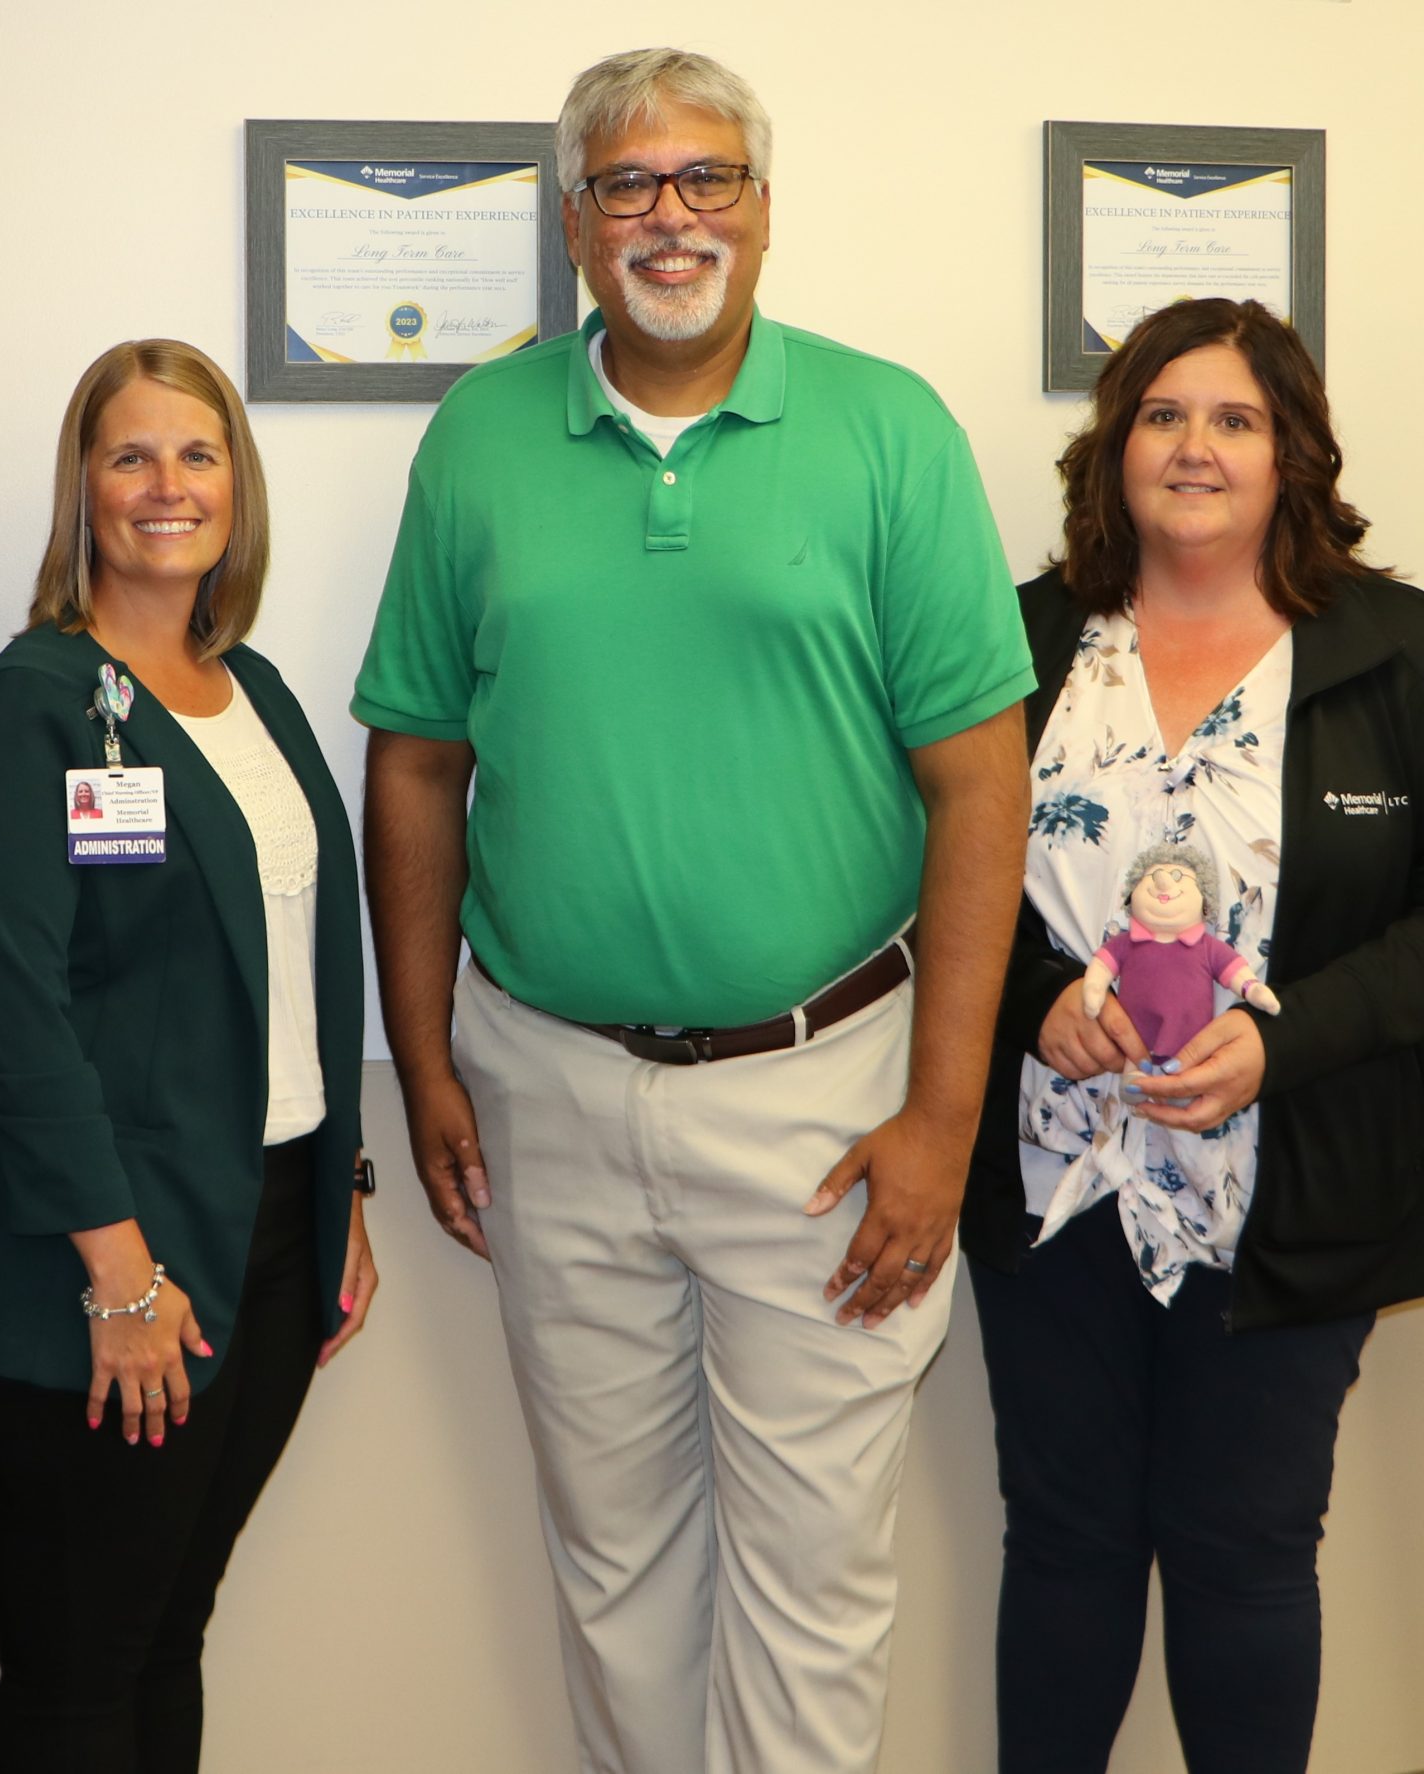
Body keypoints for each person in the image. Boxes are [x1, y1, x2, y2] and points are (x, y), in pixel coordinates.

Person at [352, 47, 1035, 1774]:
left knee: (814, 1585)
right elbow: (418, 766)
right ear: (574, 227)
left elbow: (982, 783)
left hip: (830, 1099)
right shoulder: (482, 436)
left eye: (706, 177)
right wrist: (425, 1061)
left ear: (763, 205)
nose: (672, 218)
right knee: (616, 1568)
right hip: (549, 1091)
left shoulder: (888, 428)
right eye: (630, 186)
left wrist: (944, 1117)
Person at [966, 296, 1424, 1774]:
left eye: (1235, 418)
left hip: (1293, 1196)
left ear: (1292, 451)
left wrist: (1282, 1046)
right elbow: (920, 878)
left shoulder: (1397, 651)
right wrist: (1040, 996)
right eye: (1163, 414)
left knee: (1243, 1556)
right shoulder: (1019, 638)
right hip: (1052, 1183)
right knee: (1066, 1545)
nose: (1196, 447)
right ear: (1112, 450)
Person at [0, 338, 376, 1773]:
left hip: (271, 1230)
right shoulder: (29, 705)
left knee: (166, 1632)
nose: (167, 486)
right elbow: (13, 1008)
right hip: (102, 1257)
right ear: (84, 490)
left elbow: (304, 968)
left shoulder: (261, 699)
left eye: (199, 453)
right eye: (130, 456)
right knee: (76, 1670)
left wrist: (342, 1188)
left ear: (237, 485)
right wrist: (118, 1270)